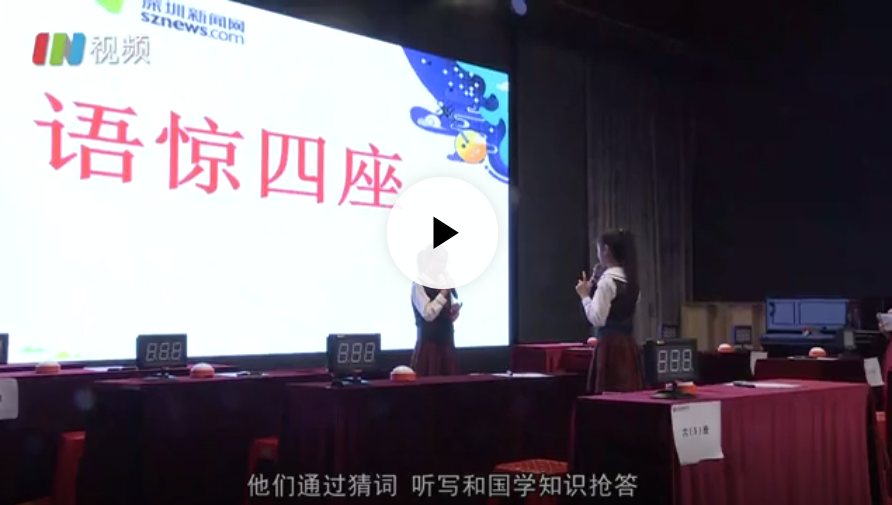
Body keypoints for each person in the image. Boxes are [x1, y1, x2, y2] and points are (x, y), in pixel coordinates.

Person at [575, 228, 644, 394]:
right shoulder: (631, 282)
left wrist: (584, 295)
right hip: (629, 347)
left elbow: (597, 318)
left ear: (606, 250)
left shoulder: (607, 281)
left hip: (610, 349)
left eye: (598, 249)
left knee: (609, 396)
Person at [411, 247, 461, 376]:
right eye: (438, 260)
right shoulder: (419, 284)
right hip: (429, 347)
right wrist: (443, 293)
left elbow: (442, 313)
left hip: (447, 346)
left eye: (444, 261)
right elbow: (428, 314)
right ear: (428, 260)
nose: (442, 265)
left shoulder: (443, 282)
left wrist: (452, 313)